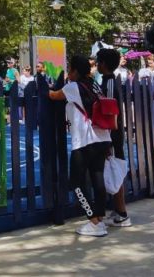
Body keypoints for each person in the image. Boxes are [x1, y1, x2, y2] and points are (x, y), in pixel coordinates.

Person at [48, 54, 112, 237]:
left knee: (76, 182)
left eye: (70, 69)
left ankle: (92, 220)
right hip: (102, 136)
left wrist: (46, 86)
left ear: (75, 70)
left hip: (85, 140)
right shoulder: (95, 85)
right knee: (97, 177)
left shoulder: (73, 87)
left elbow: (53, 96)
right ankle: (99, 218)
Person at [95, 48, 132, 227]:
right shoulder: (108, 81)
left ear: (103, 63)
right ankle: (118, 211)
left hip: (111, 137)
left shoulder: (109, 83)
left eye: (98, 61)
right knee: (113, 171)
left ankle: (122, 213)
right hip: (112, 136)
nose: (96, 64)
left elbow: (109, 112)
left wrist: (107, 141)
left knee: (114, 172)